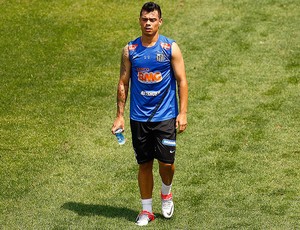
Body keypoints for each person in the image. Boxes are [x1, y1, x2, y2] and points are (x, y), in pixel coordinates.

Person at [111, 2, 188, 226]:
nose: (148, 23)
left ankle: (166, 194)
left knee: (166, 164)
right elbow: (123, 83)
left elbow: (182, 81)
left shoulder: (169, 48)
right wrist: (119, 116)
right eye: (144, 19)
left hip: (165, 116)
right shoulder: (130, 50)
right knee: (144, 164)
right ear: (139, 20)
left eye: (152, 19)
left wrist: (182, 113)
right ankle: (146, 211)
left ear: (160, 22)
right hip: (139, 118)